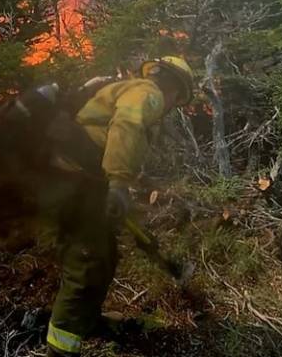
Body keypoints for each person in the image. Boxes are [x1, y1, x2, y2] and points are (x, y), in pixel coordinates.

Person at [44, 56, 195, 357]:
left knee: (104, 255)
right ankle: (60, 348)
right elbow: (126, 124)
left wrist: (116, 187)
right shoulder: (149, 92)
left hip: (74, 178)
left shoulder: (129, 87)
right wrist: (118, 183)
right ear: (175, 91)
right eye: (178, 100)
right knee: (87, 262)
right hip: (73, 180)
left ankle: (86, 322)